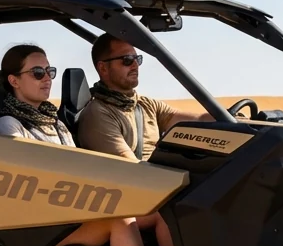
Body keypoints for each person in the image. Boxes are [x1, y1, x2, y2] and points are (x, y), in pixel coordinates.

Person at [0, 44, 168, 246]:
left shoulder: (56, 123)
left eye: (49, 71)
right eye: (38, 73)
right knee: (120, 220)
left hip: (69, 210)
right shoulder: (8, 125)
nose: (47, 79)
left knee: (162, 210)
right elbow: (24, 178)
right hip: (37, 225)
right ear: (14, 80)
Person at [74, 34, 209, 161]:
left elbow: (198, 121)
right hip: (140, 181)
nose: (135, 65)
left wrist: (226, 116)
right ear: (103, 68)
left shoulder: (145, 105)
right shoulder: (99, 113)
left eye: (137, 59)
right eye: (127, 60)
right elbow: (129, 166)